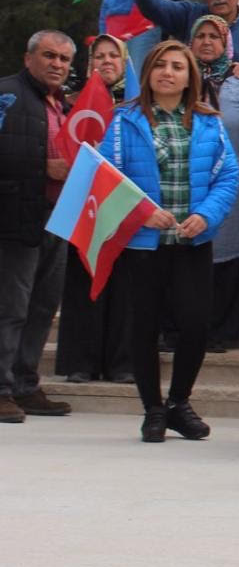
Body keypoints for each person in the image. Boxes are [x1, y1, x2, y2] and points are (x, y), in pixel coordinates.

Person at [103, 41, 239, 442]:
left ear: (189, 77)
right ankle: (153, 409)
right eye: (160, 65)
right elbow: (106, 176)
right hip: (143, 245)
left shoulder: (209, 122)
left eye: (177, 66)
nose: (168, 72)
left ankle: (179, 403)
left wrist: (207, 215)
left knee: (195, 324)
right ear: (147, 72)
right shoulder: (123, 121)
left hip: (192, 243)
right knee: (144, 326)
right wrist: (140, 212)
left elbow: (228, 177)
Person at [0, 30, 76, 423]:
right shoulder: (6, 95)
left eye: (64, 59)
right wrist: (42, 166)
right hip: (14, 221)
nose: (57, 64)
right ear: (28, 58)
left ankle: (25, 385)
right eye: (49, 56)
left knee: (43, 306)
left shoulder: (67, 106)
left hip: (58, 219)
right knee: (10, 308)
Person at [53, 34, 134, 386]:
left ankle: (122, 363)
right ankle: (80, 362)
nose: (106, 61)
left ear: (124, 63)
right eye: (99, 56)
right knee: (83, 282)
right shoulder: (73, 104)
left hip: (123, 204)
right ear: (89, 65)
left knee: (125, 286)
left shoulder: (137, 103)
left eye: (113, 55)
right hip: (85, 205)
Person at [188, 15, 239, 351]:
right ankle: (186, 328)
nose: (207, 42)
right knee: (193, 258)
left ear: (227, 44)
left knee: (233, 259)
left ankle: (224, 328)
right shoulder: (180, 78)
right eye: (200, 36)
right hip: (192, 184)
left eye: (214, 37)